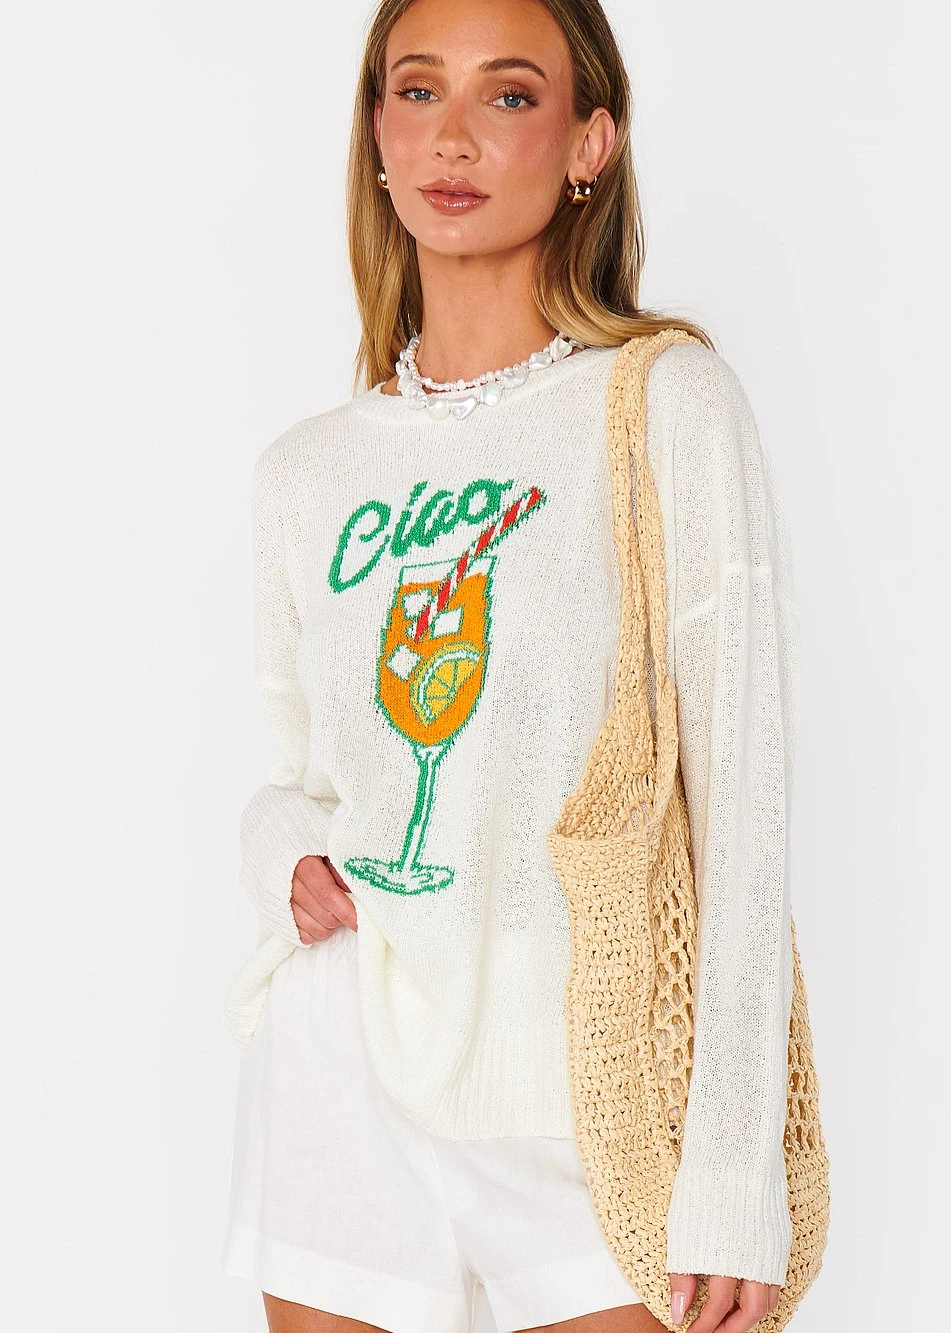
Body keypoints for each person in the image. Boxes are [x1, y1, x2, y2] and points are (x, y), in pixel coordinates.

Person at [221, 1, 800, 1331]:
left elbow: (743, 800)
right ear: (377, 133)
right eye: (418, 90)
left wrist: (733, 1174)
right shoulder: (308, 473)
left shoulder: (661, 404)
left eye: (512, 95)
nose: (454, 137)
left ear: (589, 141)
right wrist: (282, 857)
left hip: (582, 1086)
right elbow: (300, 781)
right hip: (342, 1063)